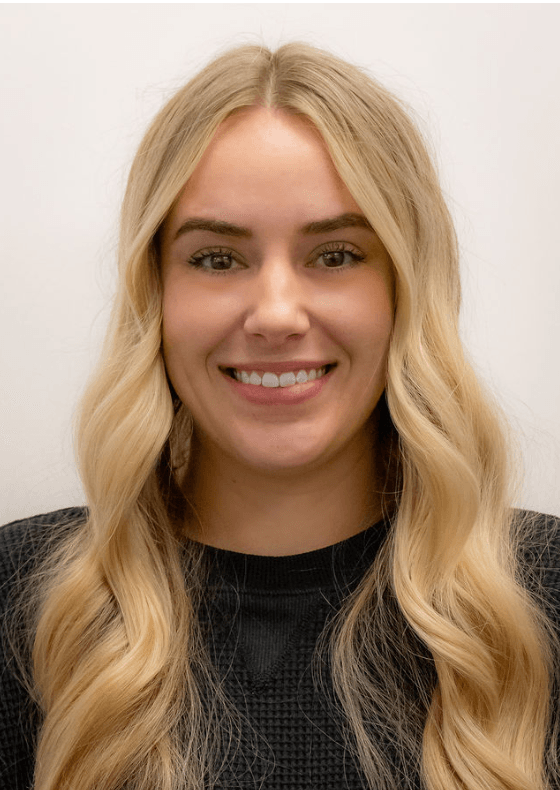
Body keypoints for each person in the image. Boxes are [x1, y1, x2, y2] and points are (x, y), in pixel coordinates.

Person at [1, 41, 559, 790]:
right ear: (154, 295)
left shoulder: (541, 598)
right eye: (216, 259)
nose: (275, 314)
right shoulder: (22, 601)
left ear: (406, 289)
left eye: (334, 255)